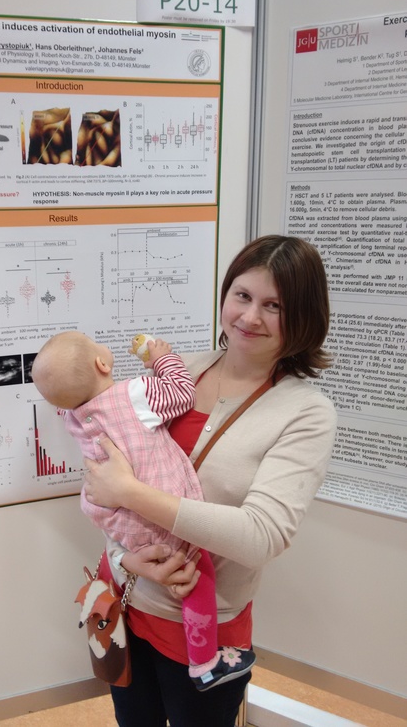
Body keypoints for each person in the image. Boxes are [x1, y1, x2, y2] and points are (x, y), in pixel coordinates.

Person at [82, 235, 338, 727]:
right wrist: (122, 557)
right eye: (242, 295)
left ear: (304, 317)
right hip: (127, 602)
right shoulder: (182, 372)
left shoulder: (306, 413)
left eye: (274, 306)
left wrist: (132, 493)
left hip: (204, 636)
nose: (250, 317)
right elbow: (104, 473)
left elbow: (261, 537)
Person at [32, 331, 255, 690]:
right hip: (160, 512)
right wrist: (161, 359)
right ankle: (204, 663)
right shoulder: (135, 394)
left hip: (123, 524)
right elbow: (182, 393)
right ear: (102, 363)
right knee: (198, 575)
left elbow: (64, 398)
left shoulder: (73, 416)